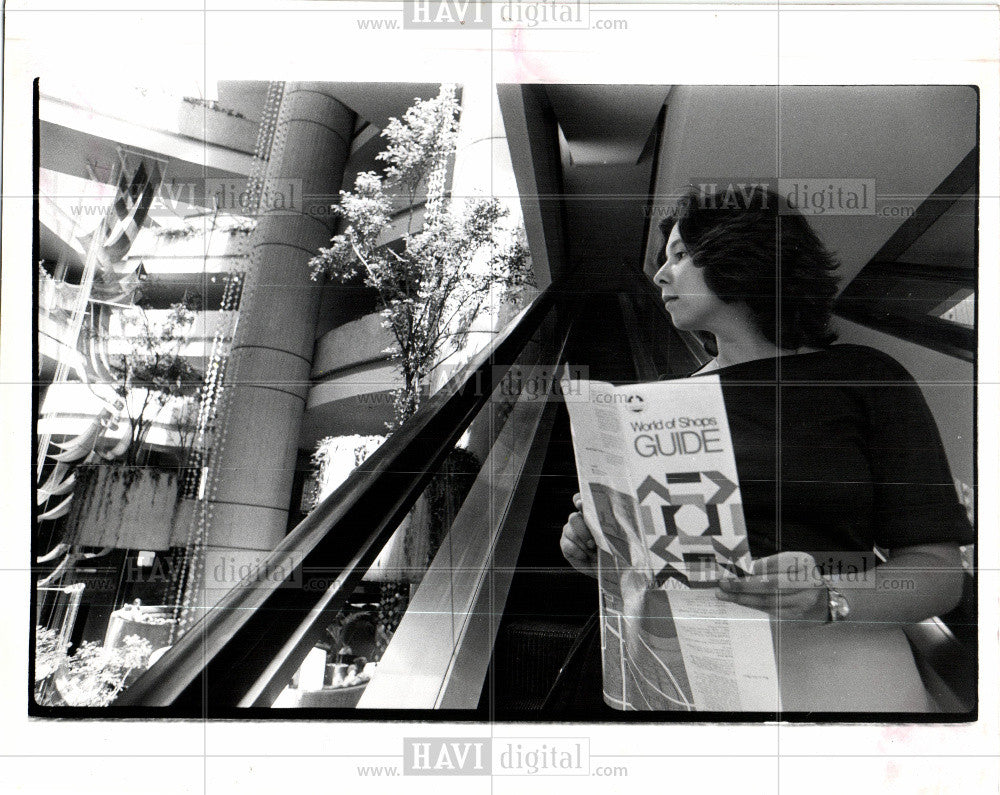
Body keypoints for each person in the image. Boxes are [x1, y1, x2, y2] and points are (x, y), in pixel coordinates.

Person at [560, 187, 974, 712]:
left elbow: (938, 573)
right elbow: (651, 570)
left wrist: (828, 598)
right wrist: (596, 540)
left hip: (845, 681)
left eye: (681, 255)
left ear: (744, 253)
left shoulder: (862, 376)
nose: (661, 275)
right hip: (701, 687)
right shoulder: (660, 406)